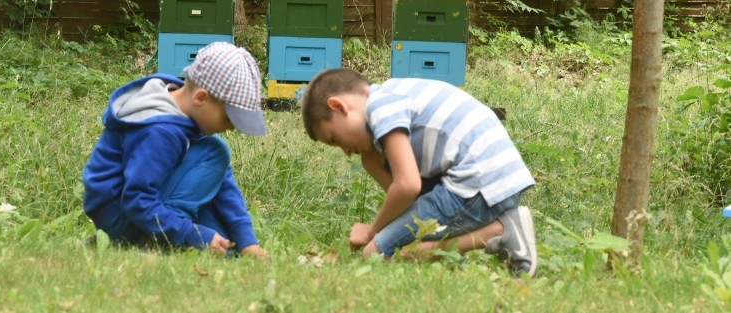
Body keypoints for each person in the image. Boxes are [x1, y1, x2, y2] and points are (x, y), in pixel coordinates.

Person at [301, 68, 537, 276]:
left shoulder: (379, 106)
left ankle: (500, 232)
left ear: (338, 106)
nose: (345, 151)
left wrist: (372, 232)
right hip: (496, 180)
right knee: (388, 245)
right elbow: (411, 207)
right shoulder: (392, 95)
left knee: (375, 254)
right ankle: (500, 230)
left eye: (334, 139)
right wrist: (372, 160)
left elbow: (407, 186)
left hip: (479, 184)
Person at [83, 41, 267, 258]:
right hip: (122, 215)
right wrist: (192, 234)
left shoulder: (185, 116)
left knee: (228, 249)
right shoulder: (162, 131)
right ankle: (149, 242)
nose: (232, 128)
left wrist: (247, 241)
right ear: (200, 97)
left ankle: (156, 237)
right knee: (216, 151)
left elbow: (221, 181)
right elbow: (136, 199)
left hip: (138, 209)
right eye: (228, 118)